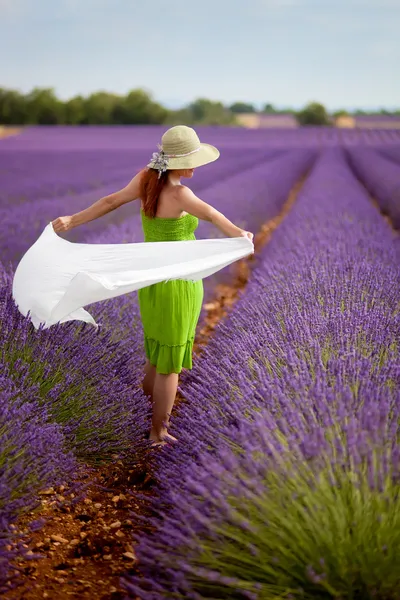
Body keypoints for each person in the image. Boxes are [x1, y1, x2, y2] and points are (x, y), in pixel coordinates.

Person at [52, 125, 254, 446]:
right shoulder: (180, 193)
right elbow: (213, 214)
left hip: (152, 280)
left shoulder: (146, 179)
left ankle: (141, 413)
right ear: (181, 162)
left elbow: (110, 201)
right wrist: (239, 233)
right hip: (179, 284)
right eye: (193, 159)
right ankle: (158, 431)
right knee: (170, 363)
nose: (196, 166)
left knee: (156, 350)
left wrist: (72, 220)